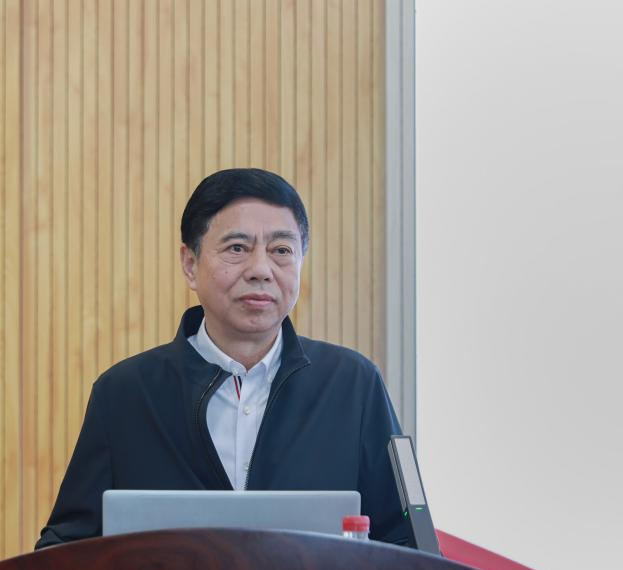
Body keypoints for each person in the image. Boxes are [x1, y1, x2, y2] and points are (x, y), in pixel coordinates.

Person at [36, 168, 413, 548]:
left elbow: (407, 542)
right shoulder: (125, 393)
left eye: (281, 251)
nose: (261, 270)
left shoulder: (353, 384)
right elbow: (65, 548)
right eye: (237, 248)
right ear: (190, 264)